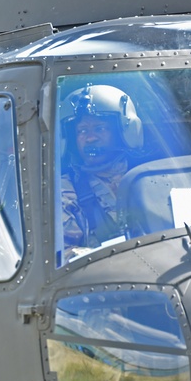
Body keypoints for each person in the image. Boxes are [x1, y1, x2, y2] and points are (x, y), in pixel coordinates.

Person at [60, 84, 145, 254]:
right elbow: (63, 255)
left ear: (122, 132)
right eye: (82, 131)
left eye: (100, 128)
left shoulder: (148, 176)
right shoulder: (66, 191)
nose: (90, 138)